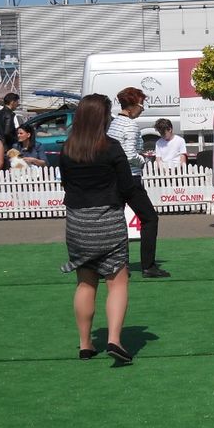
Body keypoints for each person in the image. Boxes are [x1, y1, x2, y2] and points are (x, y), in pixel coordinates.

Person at [59, 93, 136, 363]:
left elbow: (66, 184)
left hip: (77, 222)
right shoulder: (112, 148)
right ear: (102, 118)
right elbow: (128, 186)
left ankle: (85, 343)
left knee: (85, 282)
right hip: (108, 219)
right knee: (117, 282)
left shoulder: (68, 148)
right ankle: (114, 339)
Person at [107, 87, 169, 278]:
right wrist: (145, 160)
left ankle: (117, 265)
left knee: (116, 222)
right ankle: (148, 265)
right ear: (133, 105)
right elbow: (129, 154)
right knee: (150, 218)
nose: (143, 108)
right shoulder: (131, 125)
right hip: (131, 178)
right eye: (142, 104)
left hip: (114, 178)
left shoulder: (114, 124)